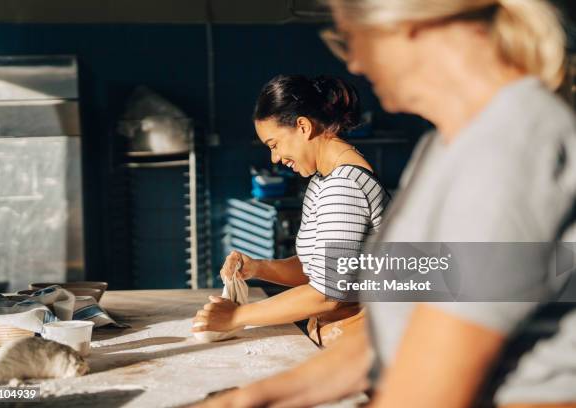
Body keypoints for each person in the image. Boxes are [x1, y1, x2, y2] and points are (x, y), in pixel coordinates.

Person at [196, 0, 576, 407]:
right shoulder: (444, 145)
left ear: (411, 28)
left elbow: (436, 382)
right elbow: (392, 334)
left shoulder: (512, 144)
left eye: (351, 39)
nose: (354, 63)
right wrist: (243, 399)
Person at [192, 74, 390, 347]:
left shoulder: (344, 186)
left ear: (303, 126)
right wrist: (258, 268)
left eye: (274, 144)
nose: (275, 158)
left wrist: (237, 316)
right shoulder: (323, 180)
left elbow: (327, 293)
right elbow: (317, 269)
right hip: (338, 340)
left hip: (361, 348)